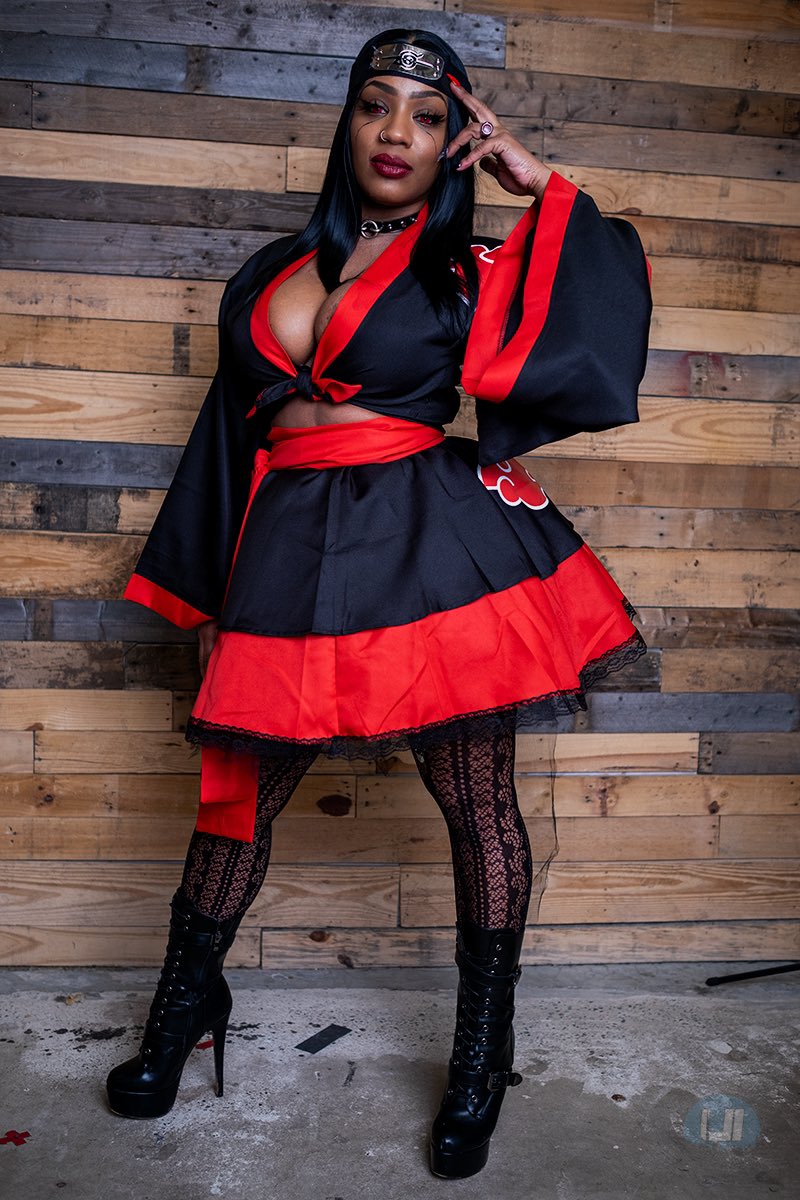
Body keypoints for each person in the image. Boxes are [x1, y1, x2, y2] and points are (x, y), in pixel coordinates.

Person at [107, 28, 652, 1179]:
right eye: (375, 105)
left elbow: (598, 314)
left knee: (475, 803)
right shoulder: (268, 271)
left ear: (454, 139)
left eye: (426, 113)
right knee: (240, 798)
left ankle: (479, 1055)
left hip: (427, 545)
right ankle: (180, 1011)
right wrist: (207, 593)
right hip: (286, 544)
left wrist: (535, 184)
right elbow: (226, 438)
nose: (396, 131)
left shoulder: (465, 270)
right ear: (347, 121)